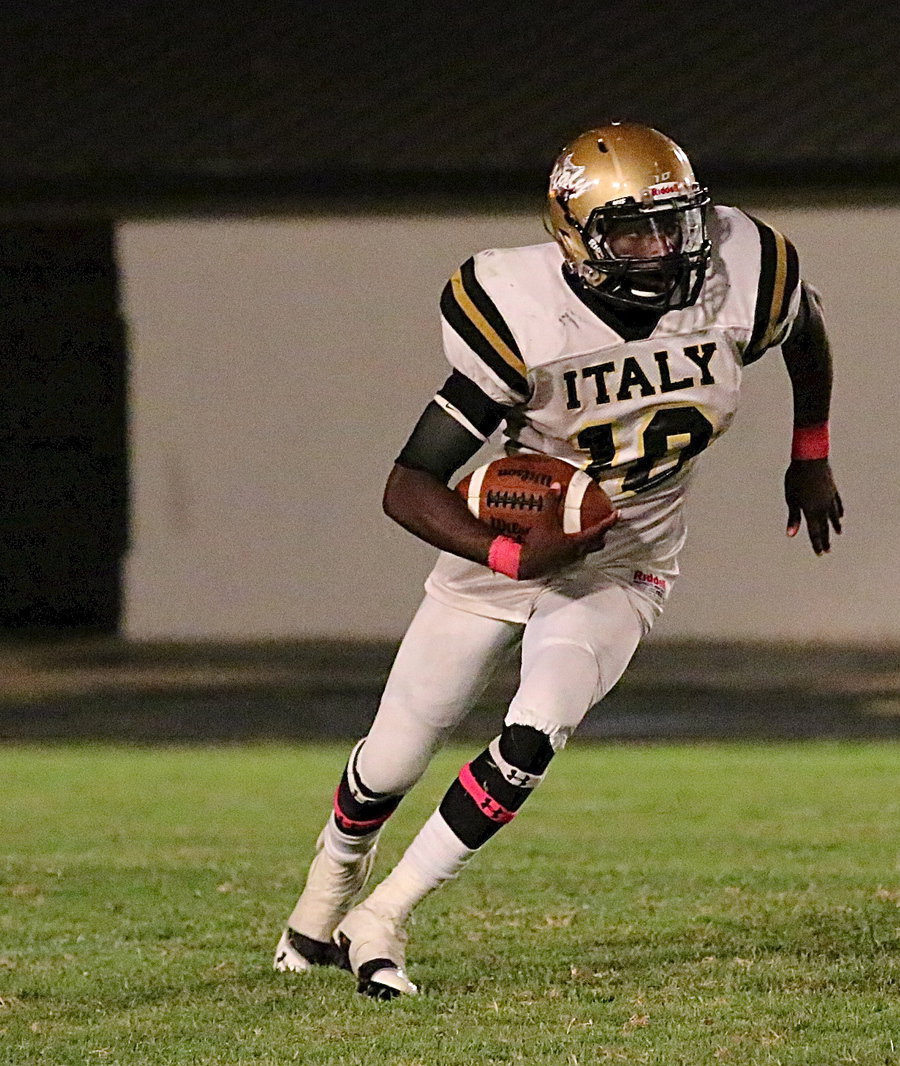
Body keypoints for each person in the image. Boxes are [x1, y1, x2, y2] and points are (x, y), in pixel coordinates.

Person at [274, 121, 843, 999]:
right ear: (575, 238)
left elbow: (803, 333)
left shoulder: (745, 269)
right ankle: (326, 887)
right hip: (501, 551)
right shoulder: (521, 311)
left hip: (627, 556)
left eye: (673, 224)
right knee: (390, 761)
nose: (661, 250)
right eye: (631, 232)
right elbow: (409, 484)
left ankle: (381, 918)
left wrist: (810, 452)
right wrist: (510, 551)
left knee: (535, 730)